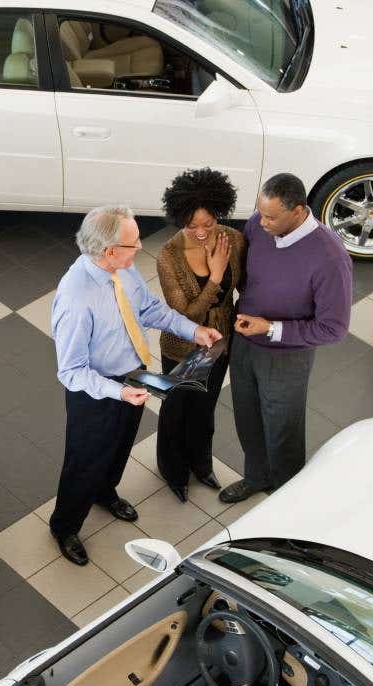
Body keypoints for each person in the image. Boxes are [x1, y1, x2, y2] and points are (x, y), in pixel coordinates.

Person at [50, 205, 222, 566]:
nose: (141, 247)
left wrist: (194, 330)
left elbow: (148, 310)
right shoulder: (76, 298)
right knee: (85, 460)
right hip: (97, 392)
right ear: (109, 251)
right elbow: (71, 371)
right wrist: (118, 391)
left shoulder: (123, 273)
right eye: (134, 243)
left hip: (132, 376)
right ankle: (65, 525)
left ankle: (105, 491)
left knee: (120, 445)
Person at [218, 173, 352, 504]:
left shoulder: (330, 258)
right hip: (245, 344)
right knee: (247, 417)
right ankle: (256, 477)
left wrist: (271, 328)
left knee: (283, 430)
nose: (260, 222)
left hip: (287, 355)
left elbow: (333, 328)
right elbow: (249, 275)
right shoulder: (258, 226)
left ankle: (286, 498)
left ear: (298, 211)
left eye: (271, 216)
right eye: (260, 213)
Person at [155, 168, 246, 503]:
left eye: (209, 223)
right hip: (183, 347)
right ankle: (173, 471)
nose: (202, 232)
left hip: (219, 343)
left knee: (204, 408)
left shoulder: (233, 240)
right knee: (176, 410)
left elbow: (244, 286)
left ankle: (201, 464)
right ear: (180, 220)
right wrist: (215, 276)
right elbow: (186, 314)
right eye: (192, 226)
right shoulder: (169, 256)